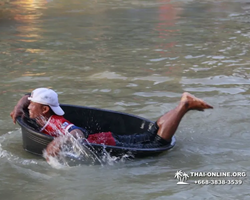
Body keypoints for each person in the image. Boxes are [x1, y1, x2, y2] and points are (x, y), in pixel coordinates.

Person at [10, 88, 213, 158]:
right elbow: (28, 96)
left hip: (109, 143)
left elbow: (77, 133)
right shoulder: (38, 113)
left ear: (44, 109)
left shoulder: (54, 122)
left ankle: (184, 106)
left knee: (158, 142)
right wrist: (20, 106)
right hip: (107, 138)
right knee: (151, 132)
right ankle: (185, 105)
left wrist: (61, 141)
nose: (28, 107)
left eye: (31, 105)